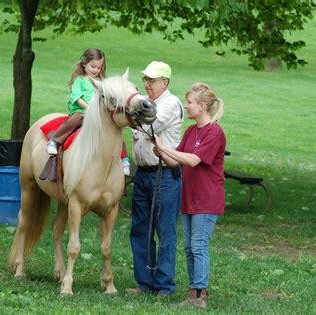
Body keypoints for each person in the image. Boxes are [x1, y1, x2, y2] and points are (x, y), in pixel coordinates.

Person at [152, 82, 225, 308]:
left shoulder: (215, 132)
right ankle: (195, 292)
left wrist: (166, 149)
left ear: (202, 106)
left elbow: (193, 160)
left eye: (190, 102)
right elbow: (176, 161)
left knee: (199, 245)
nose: (187, 106)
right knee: (189, 247)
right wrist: (161, 153)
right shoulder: (191, 131)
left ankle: (199, 296)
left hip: (207, 198)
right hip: (190, 198)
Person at [127, 61, 183, 296]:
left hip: (165, 174)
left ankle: (164, 286)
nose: (147, 84)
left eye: (152, 80)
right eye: (145, 80)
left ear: (165, 83)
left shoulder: (171, 103)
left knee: (164, 231)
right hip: (143, 174)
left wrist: (130, 104)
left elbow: (151, 121)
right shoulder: (145, 102)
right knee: (140, 229)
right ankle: (144, 282)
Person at [45, 47, 130, 174]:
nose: (96, 70)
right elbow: (76, 97)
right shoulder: (79, 80)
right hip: (81, 111)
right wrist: (89, 108)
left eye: (99, 67)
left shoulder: (101, 82)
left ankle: (124, 160)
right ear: (84, 64)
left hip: (99, 115)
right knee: (76, 119)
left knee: (115, 131)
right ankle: (55, 141)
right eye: (93, 66)